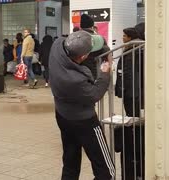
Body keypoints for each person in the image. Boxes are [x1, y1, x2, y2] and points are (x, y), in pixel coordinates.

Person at [49, 31, 115, 180]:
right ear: (83, 57)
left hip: (62, 115)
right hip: (85, 121)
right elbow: (95, 94)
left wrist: (101, 47)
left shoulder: (57, 45)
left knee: (70, 162)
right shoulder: (75, 80)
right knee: (105, 169)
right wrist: (105, 71)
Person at [115, 27, 145, 180]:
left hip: (131, 94)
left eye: (124, 36)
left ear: (131, 37)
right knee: (135, 117)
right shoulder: (138, 49)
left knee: (132, 118)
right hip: (135, 93)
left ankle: (134, 135)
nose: (122, 38)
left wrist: (122, 90)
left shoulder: (131, 51)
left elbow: (126, 74)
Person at [80, 14, 110, 80]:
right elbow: (106, 52)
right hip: (93, 69)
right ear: (92, 26)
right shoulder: (99, 38)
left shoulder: (74, 37)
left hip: (76, 70)